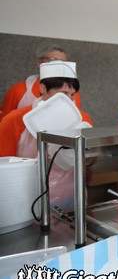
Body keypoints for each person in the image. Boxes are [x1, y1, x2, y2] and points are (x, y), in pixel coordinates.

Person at [0, 61, 93, 211]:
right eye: (63, 94)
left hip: (71, 198)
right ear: (42, 89)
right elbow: (4, 168)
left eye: (72, 95)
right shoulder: (15, 120)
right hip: (29, 203)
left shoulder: (82, 118)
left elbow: (88, 160)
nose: (69, 101)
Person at [1, 44, 82, 122]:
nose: (59, 65)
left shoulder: (73, 94)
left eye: (63, 63)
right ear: (39, 62)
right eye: (54, 60)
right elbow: (4, 121)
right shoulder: (18, 90)